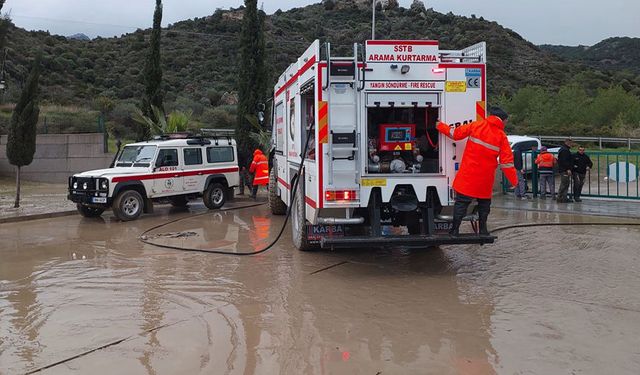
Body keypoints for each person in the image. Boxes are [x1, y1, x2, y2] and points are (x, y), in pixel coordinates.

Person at [437, 107, 517, 236]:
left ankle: (455, 230)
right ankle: (483, 231)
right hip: (485, 177)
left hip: (469, 174)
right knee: (484, 205)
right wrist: (513, 180)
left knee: (461, 203)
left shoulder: (477, 125)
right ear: (502, 120)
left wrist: (440, 126)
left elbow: (455, 134)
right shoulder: (501, 136)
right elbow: (507, 162)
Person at [556, 138, 574, 203]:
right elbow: (564, 161)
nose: (571, 144)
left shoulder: (564, 149)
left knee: (566, 184)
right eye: (571, 143)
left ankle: (564, 198)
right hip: (564, 170)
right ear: (567, 143)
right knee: (564, 184)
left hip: (564, 169)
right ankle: (559, 197)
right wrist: (568, 169)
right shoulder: (565, 150)